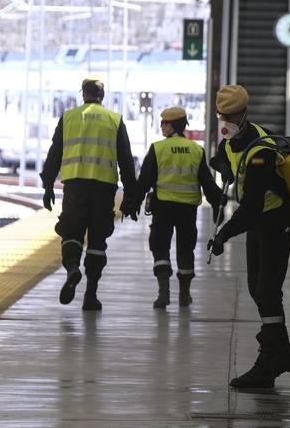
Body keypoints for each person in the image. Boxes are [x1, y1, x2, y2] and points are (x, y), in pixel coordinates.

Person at [207, 83, 290, 389]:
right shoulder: (230, 141)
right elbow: (223, 159)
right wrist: (222, 166)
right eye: (223, 116)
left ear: (244, 114)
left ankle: (271, 359)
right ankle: (282, 353)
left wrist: (222, 235)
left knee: (267, 290)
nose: (227, 122)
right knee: (257, 288)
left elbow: (249, 208)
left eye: (232, 116)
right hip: (260, 222)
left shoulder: (260, 150)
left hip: (276, 220)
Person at [40, 75, 138, 311]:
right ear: (102, 96)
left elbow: (55, 153)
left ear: (83, 94)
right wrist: (131, 198)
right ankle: (90, 295)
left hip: (75, 187)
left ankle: (73, 267)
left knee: (71, 233)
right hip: (104, 189)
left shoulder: (69, 117)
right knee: (97, 240)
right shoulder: (114, 120)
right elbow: (126, 161)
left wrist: (48, 185)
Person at [129, 106, 223, 309]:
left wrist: (134, 203)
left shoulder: (158, 148)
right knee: (186, 249)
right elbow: (207, 182)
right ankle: (184, 295)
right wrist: (218, 205)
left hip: (163, 207)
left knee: (160, 246)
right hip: (187, 210)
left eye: (164, 123)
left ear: (171, 126)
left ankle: (163, 294)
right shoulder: (196, 150)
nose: (162, 126)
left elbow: (144, 180)